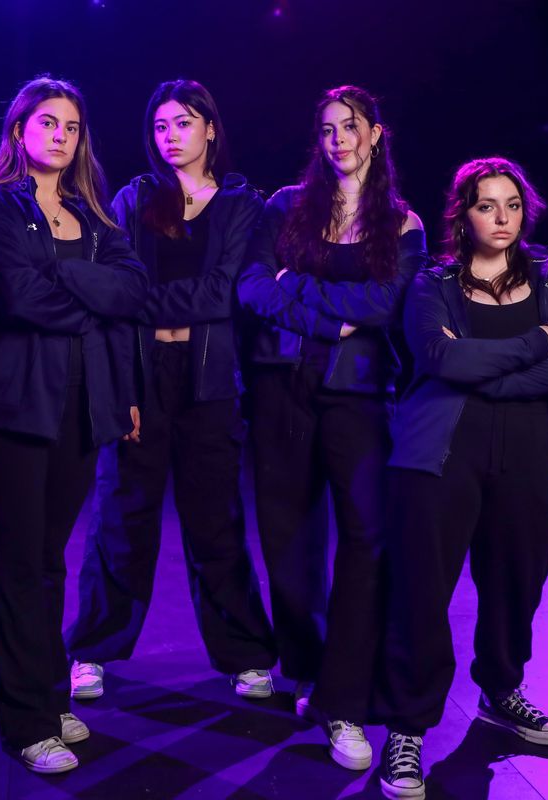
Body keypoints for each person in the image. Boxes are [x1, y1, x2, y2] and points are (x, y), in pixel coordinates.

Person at [374, 157, 548, 799]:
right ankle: (407, 728)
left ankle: (501, 691)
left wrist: (485, 373)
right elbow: (439, 358)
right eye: (486, 205)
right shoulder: (433, 281)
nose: (501, 218)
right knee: (422, 590)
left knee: (517, 580)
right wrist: (534, 345)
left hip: (527, 449)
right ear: (462, 214)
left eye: (512, 205)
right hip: (442, 450)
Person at [64, 79, 277, 703]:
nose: (170, 136)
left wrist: (142, 301)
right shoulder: (133, 199)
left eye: (183, 123)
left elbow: (223, 292)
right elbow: (114, 289)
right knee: (121, 515)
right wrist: (133, 338)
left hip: (209, 378)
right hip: (140, 373)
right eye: (160, 126)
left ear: (210, 128)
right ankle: (93, 649)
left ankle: (244, 653)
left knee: (216, 520)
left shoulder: (241, 203)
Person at [237, 85, 425, 772]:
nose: (338, 139)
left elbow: (384, 304)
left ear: (375, 134)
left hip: (358, 395)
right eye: (326, 129)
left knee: (366, 540)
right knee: (287, 541)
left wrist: (298, 286)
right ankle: (309, 669)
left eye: (350, 126)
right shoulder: (285, 206)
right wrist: (328, 319)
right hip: (281, 388)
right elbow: (252, 288)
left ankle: (344, 698)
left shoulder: (402, 223)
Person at [0, 76, 147, 774]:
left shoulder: (90, 212)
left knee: (50, 558)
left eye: (71, 126)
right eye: (48, 122)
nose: (61, 136)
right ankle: (26, 723)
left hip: (83, 404)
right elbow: (21, 298)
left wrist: (73, 282)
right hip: (18, 404)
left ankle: (46, 693)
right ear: (19, 129)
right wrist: (93, 295)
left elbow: (133, 290)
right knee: (22, 562)